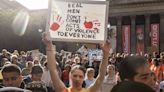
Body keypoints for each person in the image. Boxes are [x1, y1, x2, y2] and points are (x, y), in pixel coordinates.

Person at [42, 32, 111, 92]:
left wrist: (106, 54)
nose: (77, 79)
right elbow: (52, 70)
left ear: (84, 78)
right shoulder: (64, 90)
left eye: (80, 76)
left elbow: (101, 76)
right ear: (70, 76)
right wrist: (49, 47)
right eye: (75, 76)